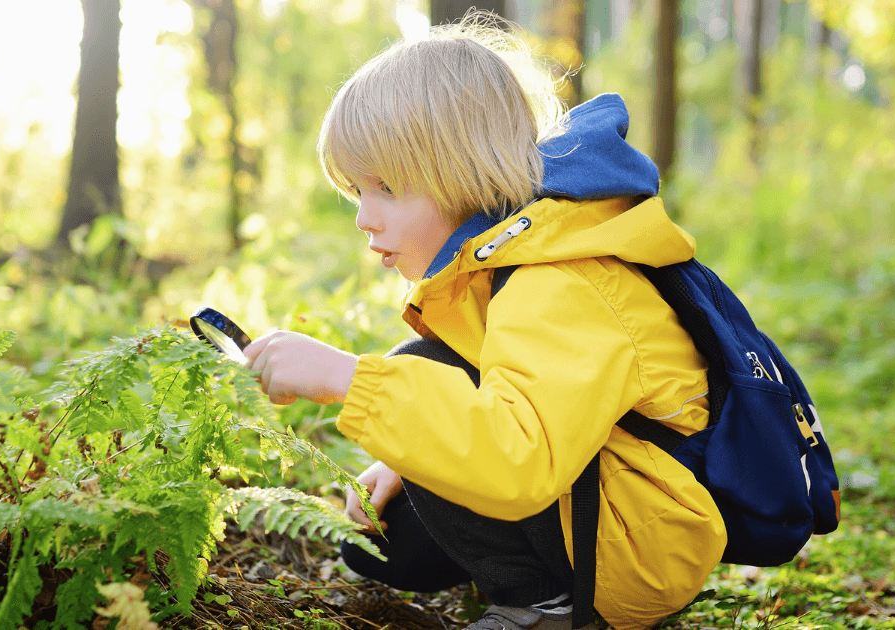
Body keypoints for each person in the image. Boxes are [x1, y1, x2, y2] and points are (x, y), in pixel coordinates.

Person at [241, 14, 727, 630]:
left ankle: (543, 608)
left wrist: (348, 379)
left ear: (464, 172)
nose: (364, 217)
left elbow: (519, 454)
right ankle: (535, 587)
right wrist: (407, 458)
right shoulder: (504, 266)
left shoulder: (558, 278)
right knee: (395, 519)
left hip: (638, 547)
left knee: (414, 371)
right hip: (605, 506)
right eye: (356, 190)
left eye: (386, 187)